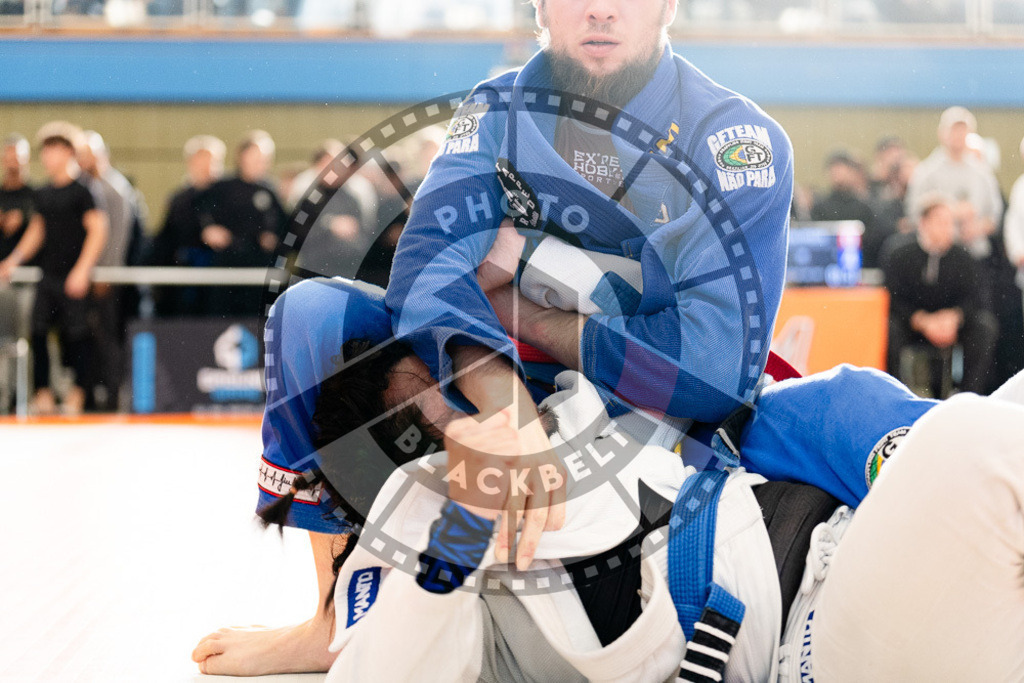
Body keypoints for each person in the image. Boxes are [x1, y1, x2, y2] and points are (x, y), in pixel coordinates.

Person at [194, 0, 794, 673]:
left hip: (636, 411)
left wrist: (530, 314)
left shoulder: (735, 139)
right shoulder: (495, 110)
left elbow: (714, 364)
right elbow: (426, 263)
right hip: (492, 388)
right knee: (311, 315)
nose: (598, 9)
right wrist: (508, 413)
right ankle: (336, 619)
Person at [0, 121, 108, 415]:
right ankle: (43, 393)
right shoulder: (44, 193)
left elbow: (98, 229)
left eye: (52, 151)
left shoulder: (85, 190)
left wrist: (82, 269)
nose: (46, 157)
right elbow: (38, 230)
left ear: (68, 153)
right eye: (44, 151)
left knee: (77, 335)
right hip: (48, 275)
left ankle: (78, 392)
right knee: (37, 331)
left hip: (74, 276)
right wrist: (12, 261)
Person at [882, 192, 997, 395]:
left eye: (951, 223)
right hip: (913, 325)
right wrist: (922, 321)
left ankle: (968, 396)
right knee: (888, 329)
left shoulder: (964, 257)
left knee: (984, 327)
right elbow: (893, 297)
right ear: (924, 223)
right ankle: (894, 394)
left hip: (951, 324)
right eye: (942, 222)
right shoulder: (900, 254)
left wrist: (954, 317)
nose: (948, 229)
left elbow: (976, 297)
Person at [195, 130, 287, 316]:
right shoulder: (221, 187)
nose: (260, 163)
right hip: (225, 269)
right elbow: (198, 213)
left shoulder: (270, 191)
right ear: (242, 157)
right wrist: (209, 229)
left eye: (264, 159)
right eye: (255, 158)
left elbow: (285, 228)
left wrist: (274, 239)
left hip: (259, 273)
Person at [146, 134, 227, 317]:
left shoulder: (229, 197)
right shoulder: (179, 200)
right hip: (185, 286)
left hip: (221, 287)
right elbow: (166, 240)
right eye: (202, 162)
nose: (208, 169)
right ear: (190, 163)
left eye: (213, 162)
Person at [0, 133, 35, 263]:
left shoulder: (37, 195)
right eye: (9, 159)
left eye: (16, 159)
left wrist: (24, 218)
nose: (12, 165)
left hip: (29, 268)